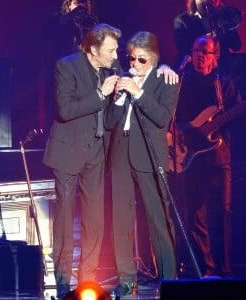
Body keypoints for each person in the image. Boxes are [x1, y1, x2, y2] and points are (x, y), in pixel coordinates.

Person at [43, 23, 178, 299]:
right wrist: (110, 98)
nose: (127, 61)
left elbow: (161, 112)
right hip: (94, 153)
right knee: (96, 221)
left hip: (125, 155)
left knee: (133, 219)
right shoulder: (91, 70)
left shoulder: (149, 76)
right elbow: (88, 115)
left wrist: (152, 80)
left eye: (140, 59)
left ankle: (164, 279)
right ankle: (96, 281)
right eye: (126, 56)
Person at [104, 31, 178, 296]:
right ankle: (126, 278)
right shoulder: (123, 80)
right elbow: (109, 122)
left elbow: (161, 118)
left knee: (158, 218)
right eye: (132, 58)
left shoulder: (165, 80)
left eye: (141, 60)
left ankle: (169, 277)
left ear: (155, 59)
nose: (134, 64)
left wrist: (138, 92)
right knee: (121, 218)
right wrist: (118, 98)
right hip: (120, 152)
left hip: (148, 154)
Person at [174, 34, 243, 277]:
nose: (199, 56)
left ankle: (224, 271)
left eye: (205, 52)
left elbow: (238, 113)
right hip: (190, 160)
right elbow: (174, 120)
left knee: (222, 212)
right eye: (196, 50)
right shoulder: (182, 83)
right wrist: (181, 134)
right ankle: (207, 270)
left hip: (218, 158)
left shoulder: (224, 85)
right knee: (195, 216)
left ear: (215, 57)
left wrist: (218, 124)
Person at [173, 0, 242, 73]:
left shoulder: (220, 15)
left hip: (223, 66)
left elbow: (236, 46)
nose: (207, 3)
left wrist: (226, 24)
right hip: (197, 68)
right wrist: (205, 41)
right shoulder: (182, 20)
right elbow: (183, 49)